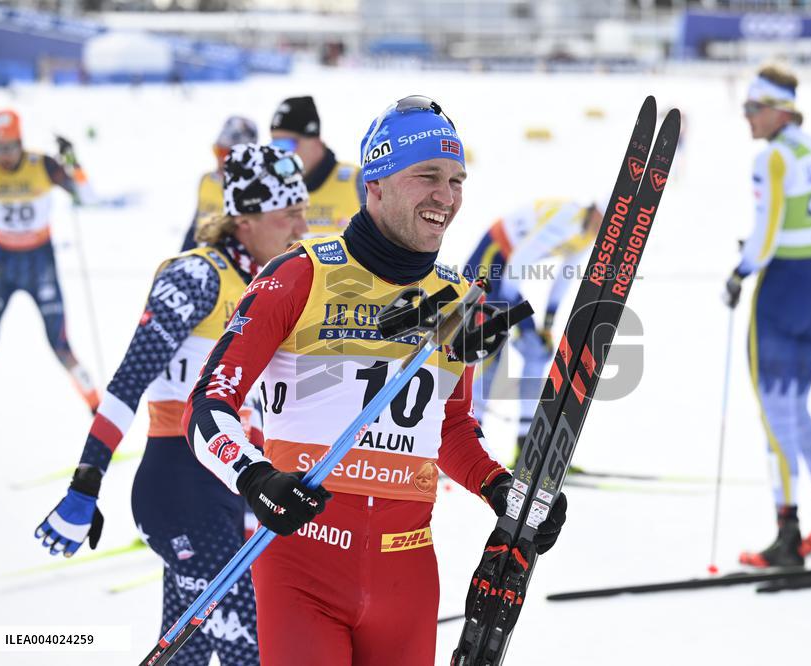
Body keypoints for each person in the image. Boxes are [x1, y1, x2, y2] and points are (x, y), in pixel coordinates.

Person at [182, 95, 568, 665]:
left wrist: (499, 487)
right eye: (428, 175)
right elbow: (208, 405)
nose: (447, 196)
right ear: (377, 181)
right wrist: (255, 476)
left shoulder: (456, 299)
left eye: (457, 179)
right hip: (301, 567)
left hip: (406, 572)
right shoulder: (299, 274)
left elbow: (450, 428)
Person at [35, 144, 311, 665]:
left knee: (188, 650)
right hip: (178, 487)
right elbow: (128, 380)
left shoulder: (277, 285)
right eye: (288, 215)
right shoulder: (196, 277)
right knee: (249, 647)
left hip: (231, 491)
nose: (302, 227)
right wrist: (86, 483)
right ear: (245, 220)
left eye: (303, 211)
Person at [723, 64, 811, 568]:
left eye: (754, 109)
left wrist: (740, 270)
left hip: (778, 295)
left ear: (779, 110)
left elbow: (767, 232)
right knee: (797, 409)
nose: (748, 119)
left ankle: (787, 534)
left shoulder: (772, 158)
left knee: (776, 418)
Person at [0, 109, 99, 412]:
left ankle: (96, 406)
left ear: (21, 141)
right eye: (0, 147)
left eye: (11, 146)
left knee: (60, 344)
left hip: (40, 261)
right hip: (2, 262)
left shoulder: (41, 164)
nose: (6, 155)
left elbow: (87, 196)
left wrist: (72, 161)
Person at [463, 198, 602, 461]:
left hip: (507, 272)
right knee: (490, 350)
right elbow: (518, 262)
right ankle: (467, 440)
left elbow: (564, 276)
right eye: (602, 220)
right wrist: (507, 318)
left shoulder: (587, 233)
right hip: (492, 258)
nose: (603, 228)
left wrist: (548, 324)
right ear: (595, 210)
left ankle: (527, 445)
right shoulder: (567, 220)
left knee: (537, 350)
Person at [269, 95, 365, 237]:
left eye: (286, 145)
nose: (280, 154)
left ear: (314, 140)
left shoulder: (356, 181)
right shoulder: (273, 188)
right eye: (275, 146)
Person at [180, 116, 259, 251]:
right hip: (203, 259)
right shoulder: (207, 181)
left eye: (226, 153)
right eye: (217, 150)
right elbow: (194, 228)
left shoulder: (257, 190)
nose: (220, 158)